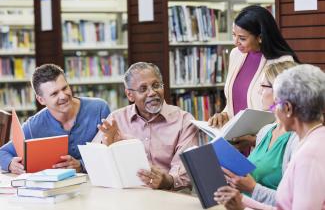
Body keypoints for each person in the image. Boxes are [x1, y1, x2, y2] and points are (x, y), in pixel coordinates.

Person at [214, 64, 325, 210]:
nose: (274, 111)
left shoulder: (309, 153)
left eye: (276, 104)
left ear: (288, 108)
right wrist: (242, 202)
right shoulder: (316, 138)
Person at [93, 62, 199, 190]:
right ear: (130, 95)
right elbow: (95, 164)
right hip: (126, 197)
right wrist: (108, 145)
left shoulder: (184, 121)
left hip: (168, 197)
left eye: (156, 85)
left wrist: (168, 181)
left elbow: (187, 172)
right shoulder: (116, 119)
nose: (152, 93)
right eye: (143, 89)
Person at [0, 64, 110, 174]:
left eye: (64, 88)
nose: (63, 96)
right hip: (55, 189)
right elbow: (3, 152)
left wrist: (81, 165)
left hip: (97, 182)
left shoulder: (99, 109)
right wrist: (10, 163)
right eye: (54, 94)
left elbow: (110, 151)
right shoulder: (33, 125)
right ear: (41, 100)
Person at [208, 5, 299, 128]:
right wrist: (224, 114)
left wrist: (255, 139)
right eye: (234, 35)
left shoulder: (282, 62)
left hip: (263, 141)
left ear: (260, 37)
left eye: (242, 38)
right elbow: (234, 100)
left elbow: (286, 112)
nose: (235, 42)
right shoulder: (236, 54)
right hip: (235, 137)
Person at [222, 61, 298, 206]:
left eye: (263, 86)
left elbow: (294, 202)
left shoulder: (297, 139)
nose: (259, 92)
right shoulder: (265, 131)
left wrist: (252, 188)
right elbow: (251, 177)